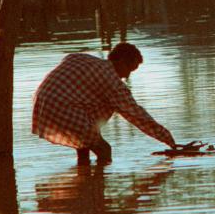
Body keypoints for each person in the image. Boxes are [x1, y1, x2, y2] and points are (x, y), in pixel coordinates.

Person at [32, 43, 176, 165]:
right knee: (104, 150)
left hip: (41, 102)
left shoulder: (82, 58)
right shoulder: (112, 82)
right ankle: (98, 191)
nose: (126, 76)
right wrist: (168, 140)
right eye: (129, 70)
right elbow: (137, 115)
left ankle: (85, 180)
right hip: (63, 106)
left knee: (85, 142)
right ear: (121, 61)